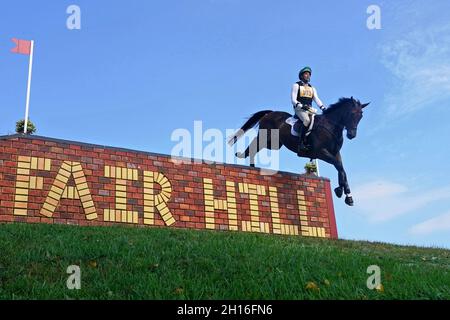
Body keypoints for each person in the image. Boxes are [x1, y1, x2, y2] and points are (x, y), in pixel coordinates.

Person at [291, 66, 327, 155]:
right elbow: (293, 99)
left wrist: (323, 107)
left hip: (310, 109)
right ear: (301, 76)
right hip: (299, 109)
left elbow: (316, 99)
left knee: (319, 121)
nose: (308, 76)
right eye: (306, 74)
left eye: (309, 74)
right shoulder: (296, 85)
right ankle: (301, 143)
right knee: (306, 120)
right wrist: (301, 106)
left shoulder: (312, 88)